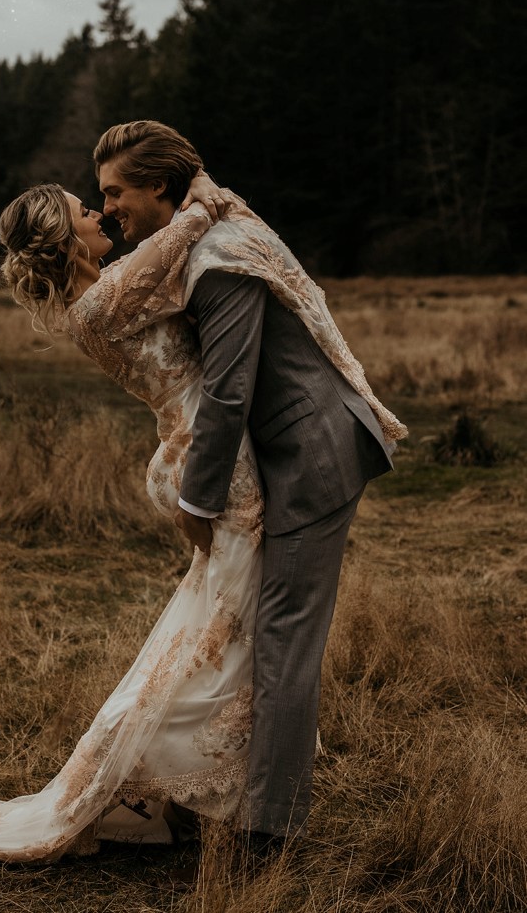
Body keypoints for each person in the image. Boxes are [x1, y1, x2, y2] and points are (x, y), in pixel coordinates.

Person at [0, 176, 267, 864]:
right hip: (210, 461)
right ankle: (152, 780)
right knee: (232, 624)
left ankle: (148, 795)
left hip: (195, 449)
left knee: (219, 620)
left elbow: (172, 254)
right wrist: (202, 196)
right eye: (82, 209)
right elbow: (185, 231)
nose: (99, 212)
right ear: (65, 242)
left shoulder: (107, 287)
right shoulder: (97, 303)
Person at [93, 120, 406, 844]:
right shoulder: (206, 237)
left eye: (115, 192)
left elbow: (230, 392)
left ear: (160, 188)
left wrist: (197, 501)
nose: (106, 207)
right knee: (263, 634)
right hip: (292, 447)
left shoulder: (219, 258)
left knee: (283, 641)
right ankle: (216, 798)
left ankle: (272, 833)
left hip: (310, 455)